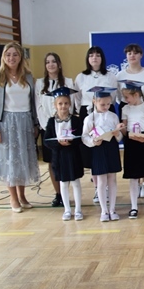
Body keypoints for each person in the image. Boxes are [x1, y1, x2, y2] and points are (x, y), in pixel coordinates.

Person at [0, 42, 40, 213]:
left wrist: (35, 123)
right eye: (8, 54)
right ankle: (13, 198)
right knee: (10, 161)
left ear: (20, 57)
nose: (11, 58)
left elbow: (33, 102)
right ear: (3, 57)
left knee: (22, 160)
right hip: (6, 123)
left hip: (25, 122)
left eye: (15, 54)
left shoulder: (28, 76)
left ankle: (22, 196)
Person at [74, 46, 118, 204]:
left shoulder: (110, 76)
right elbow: (77, 98)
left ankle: (107, 187)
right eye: (91, 55)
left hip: (105, 111)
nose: (94, 58)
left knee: (107, 149)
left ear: (102, 58)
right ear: (88, 58)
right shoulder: (81, 77)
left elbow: (113, 96)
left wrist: (104, 106)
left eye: (98, 55)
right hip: (88, 113)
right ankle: (97, 188)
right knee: (92, 152)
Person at [116, 43, 144, 199]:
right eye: (129, 53)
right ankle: (136, 180)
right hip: (128, 111)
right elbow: (119, 97)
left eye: (135, 53)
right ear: (126, 56)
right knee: (132, 148)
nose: (132, 55)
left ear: (141, 55)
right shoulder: (120, 75)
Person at [35, 52, 75, 208]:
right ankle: (58, 194)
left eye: (53, 61)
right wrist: (49, 126)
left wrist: (63, 123)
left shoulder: (68, 82)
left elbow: (72, 105)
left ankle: (66, 193)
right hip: (48, 128)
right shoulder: (40, 84)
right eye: (47, 62)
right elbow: (38, 106)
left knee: (66, 160)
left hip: (65, 128)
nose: (50, 64)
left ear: (59, 64)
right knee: (52, 162)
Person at [81, 87, 123, 221]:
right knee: (101, 180)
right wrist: (93, 142)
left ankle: (112, 209)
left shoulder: (113, 116)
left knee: (112, 179)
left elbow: (119, 137)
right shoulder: (89, 119)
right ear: (94, 101)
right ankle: (104, 210)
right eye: (102, 104)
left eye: (108, 104)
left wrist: (117, 133)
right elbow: (84, 136)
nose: (106, 107)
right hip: (98, 149)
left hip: (111, 148)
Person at [42, 87, 84, 221]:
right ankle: (67, 210)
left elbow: (81, 137)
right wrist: (58, 143)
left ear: (70, 104)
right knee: (63, 183)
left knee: (75, 182)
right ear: (55, 105)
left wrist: (71, 141)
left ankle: (78, 210)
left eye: (66, 103)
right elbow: (47, 140)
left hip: (73, 155)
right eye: (60, 104)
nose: (63, 106)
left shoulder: (75, 120)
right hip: (59, 156)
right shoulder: (51, 121)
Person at [120, 80, 144, 218]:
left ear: (136, 95)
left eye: (127, 97)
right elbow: (125, 129)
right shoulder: (125, 109)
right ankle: (134, 206)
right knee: (133, 177)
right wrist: (123, 130)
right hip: (131, 143)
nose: (126, 100)